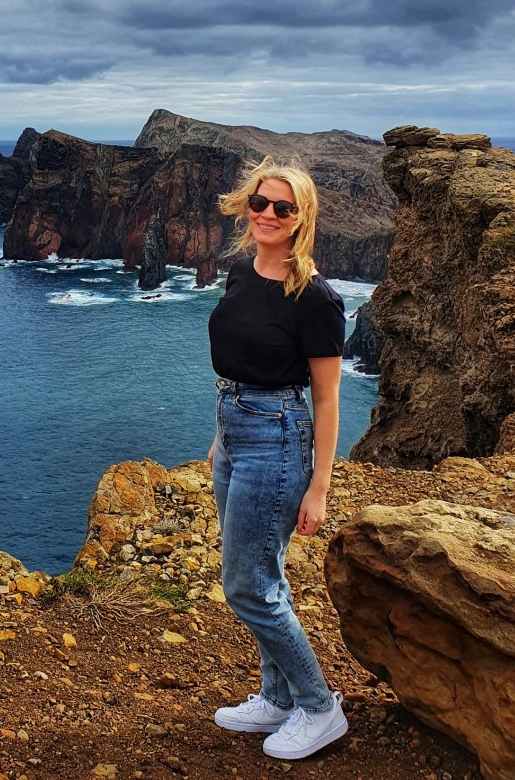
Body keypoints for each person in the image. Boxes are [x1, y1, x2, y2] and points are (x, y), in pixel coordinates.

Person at [206, 156, 348, 761]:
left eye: (282, 207)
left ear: (301, 218)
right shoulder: (241, 270)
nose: (266, 214)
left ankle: (319, 707)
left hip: (279, 438)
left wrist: (319, 486)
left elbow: (327, 397)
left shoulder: (315, 299)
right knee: (265, 576)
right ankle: (277, 697)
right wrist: (221, 435)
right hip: (235, 429)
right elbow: (240, 360)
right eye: (259, 202)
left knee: (247, 585)